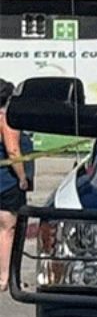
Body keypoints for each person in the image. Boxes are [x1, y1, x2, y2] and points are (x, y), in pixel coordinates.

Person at [0, 79, 34, 293]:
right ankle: (4, 277)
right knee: (7, 229)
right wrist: (22, 177)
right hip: (6, 183)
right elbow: (13, 151)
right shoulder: (6, 119)